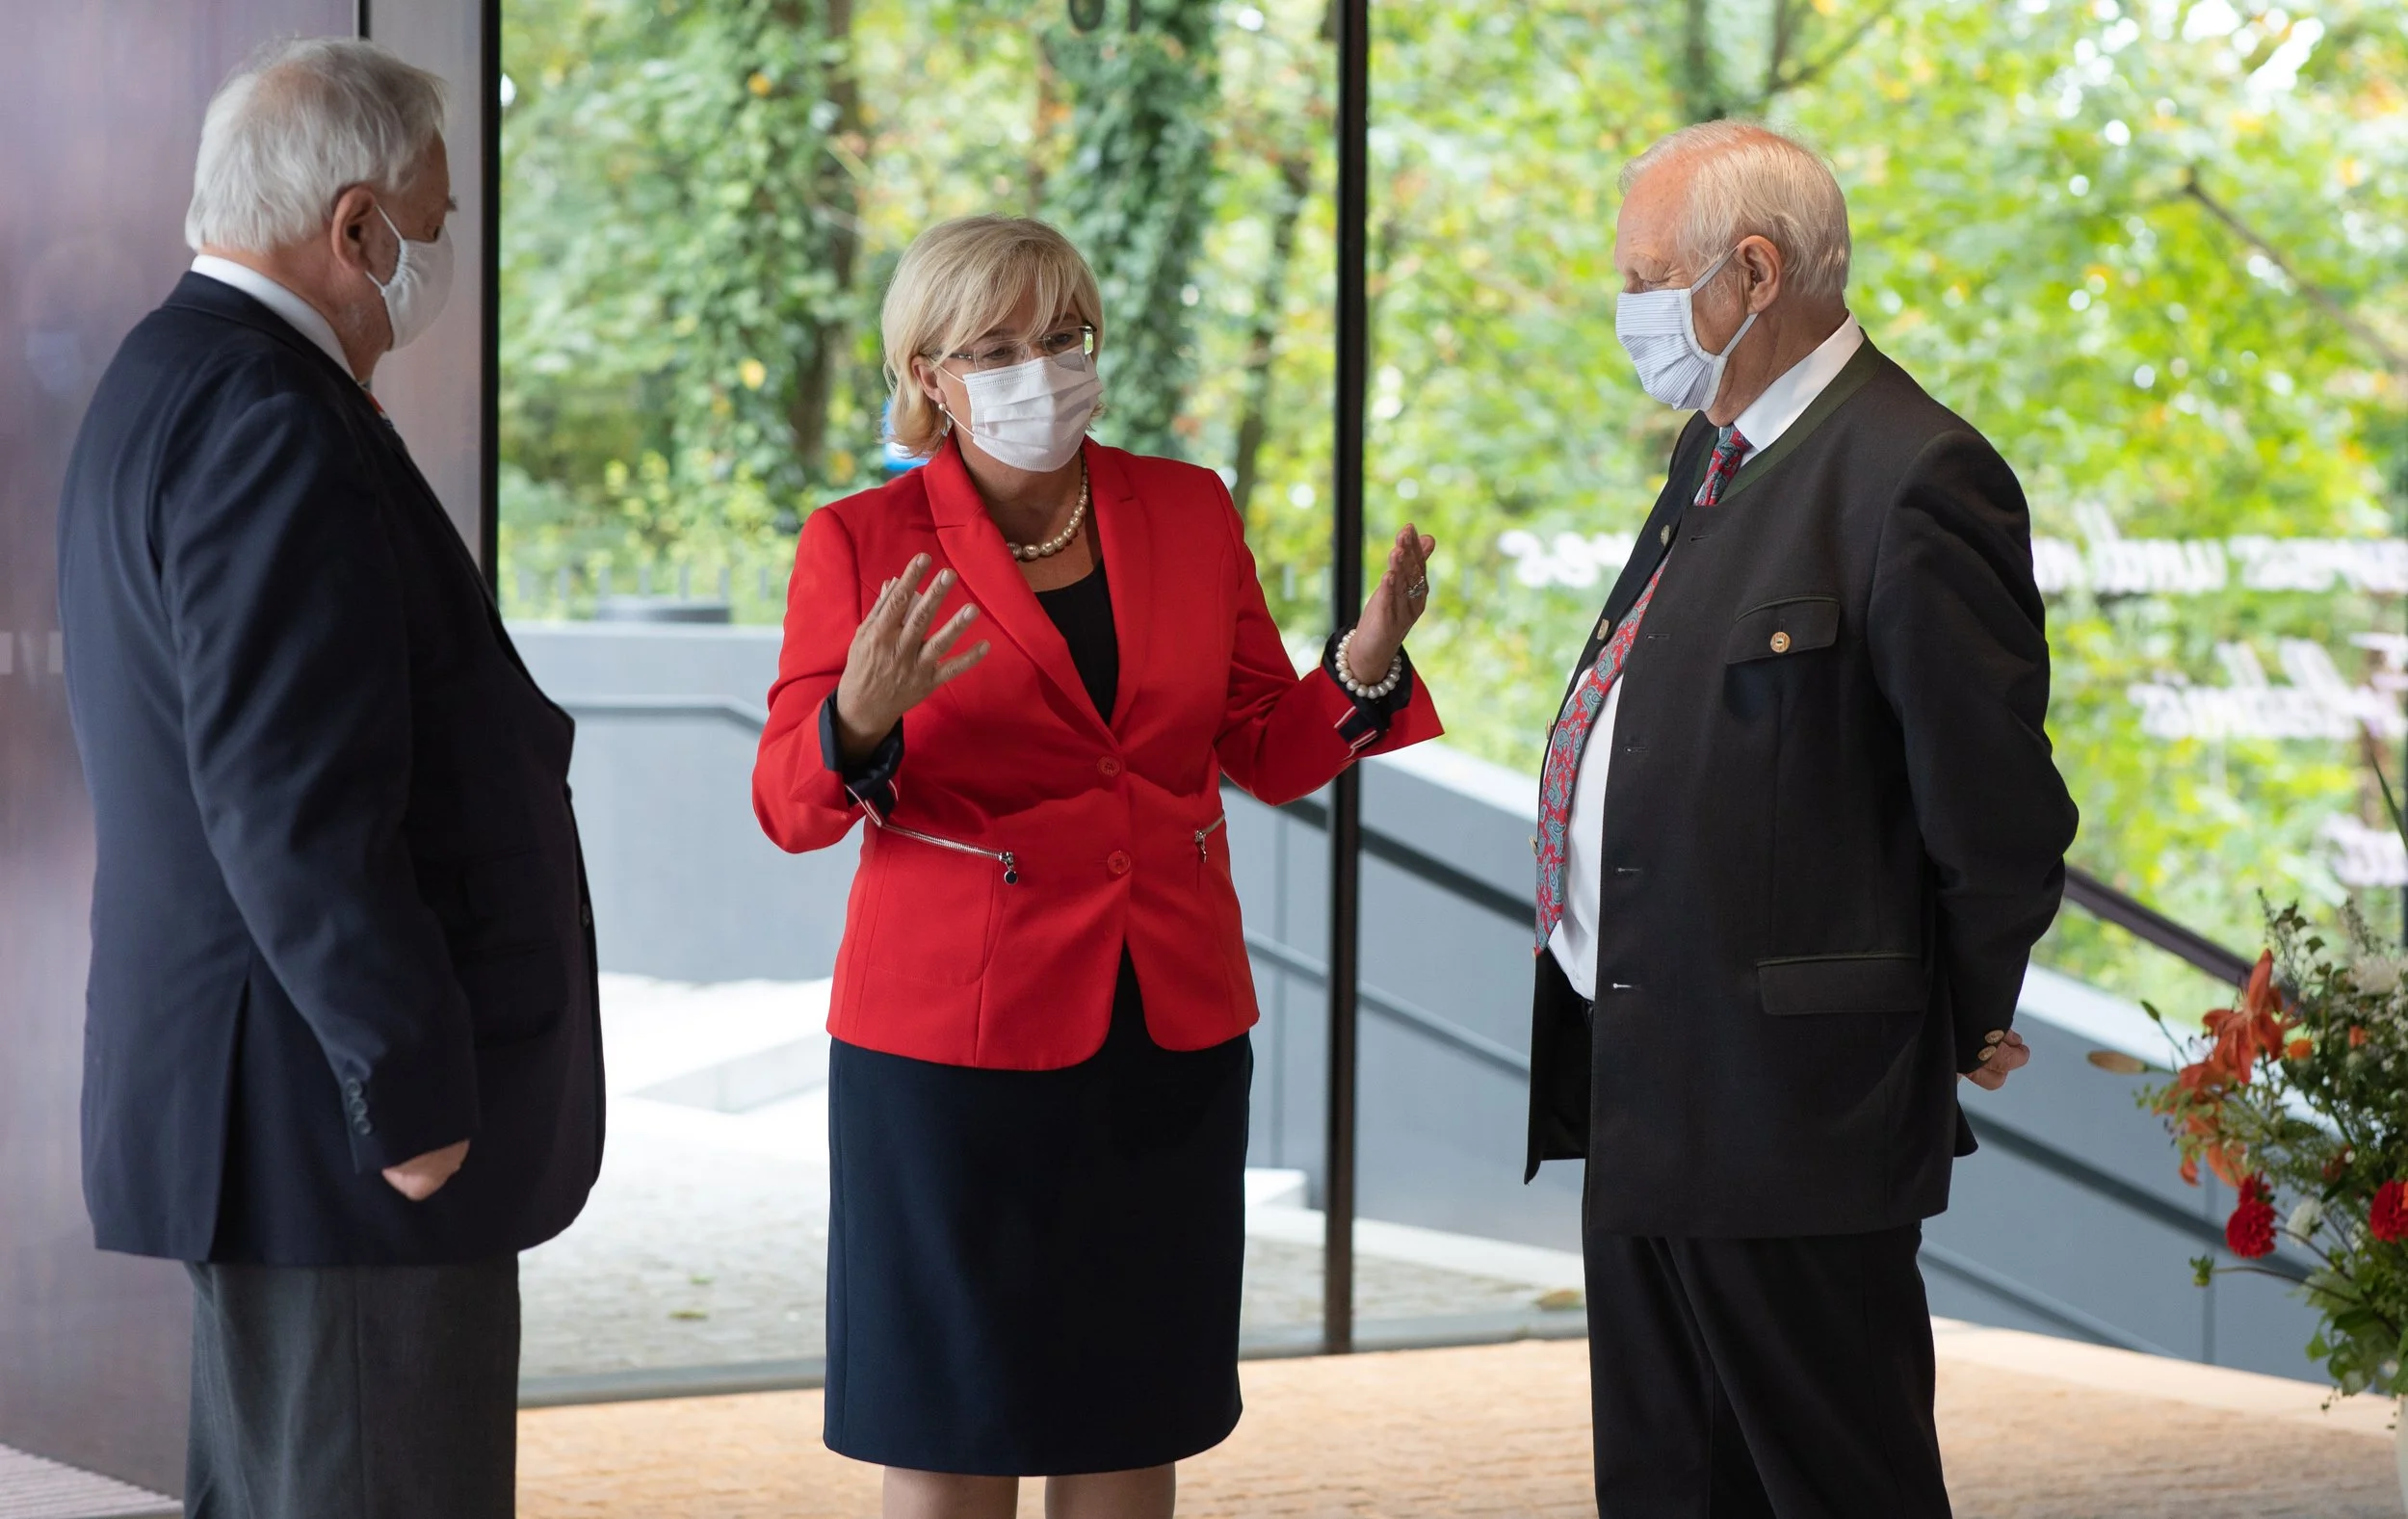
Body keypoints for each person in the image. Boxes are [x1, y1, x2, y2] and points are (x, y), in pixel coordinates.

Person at [752, 214, 1444, 1519]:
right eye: (997, 348)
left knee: (1133, 1405)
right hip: (954, 1045)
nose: (1041, 370)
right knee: (956, 1417)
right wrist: (858, 717)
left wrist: (1363, 666)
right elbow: (789, 806)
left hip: (1166, 1024)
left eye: (1064, 336)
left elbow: (1263, 747)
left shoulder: (1185, 508)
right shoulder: (861, 540)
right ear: (928, 374)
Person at [56, 39, 603, 1519]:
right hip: (336, 1134)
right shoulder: (268, 416)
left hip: (282, 1115)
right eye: (433, 220)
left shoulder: (176, 375)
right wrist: (403, 1090)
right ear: (356, 228)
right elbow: (288, 794)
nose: (441, 250)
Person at [1523, 121, 2078, 1517]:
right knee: (1670, 1480)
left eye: (1647, 277)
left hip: (1794, 1109)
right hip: (1648, 1079)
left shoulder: (1914, 472)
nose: (1627, 309)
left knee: (1830, 1483)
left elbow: (1999, 816)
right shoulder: (1712, 454)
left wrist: (1943, 1022)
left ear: (1754, 273)